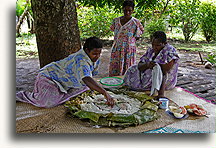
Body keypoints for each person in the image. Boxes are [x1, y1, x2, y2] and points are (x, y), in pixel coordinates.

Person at [16, 37, 114, 108]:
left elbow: (89, 76)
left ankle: (62, 93)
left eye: (99, 54)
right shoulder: (81, 60)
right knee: (48, 103)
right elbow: (86, 78)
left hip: (63, 82)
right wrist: (105, 93)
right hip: (48, 77)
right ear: (87, 50)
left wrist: (99, 89)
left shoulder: (94, 58)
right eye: (94, 54)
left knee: (86, 89)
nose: (97, 56)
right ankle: (22, 95)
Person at [123, 31, 179, 99]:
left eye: (158, 45)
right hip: (151, 70)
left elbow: (165, 71)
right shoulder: (151, 50)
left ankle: (148, 87)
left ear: (164, 43)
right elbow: (140, 65)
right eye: (153, 45)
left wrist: (161, 95)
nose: (155, 47)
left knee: (153, 72)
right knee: (132, 68)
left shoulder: (170, 51)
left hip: (165, 80)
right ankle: (139, 85)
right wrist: (147, 65)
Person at [109, 0, 144, 76]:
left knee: (128, 70)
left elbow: (138, 34)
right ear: (122, 9)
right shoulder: (116, 21)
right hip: (117, 48)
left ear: (133, 11)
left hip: (128, 50)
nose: (127, 12)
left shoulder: (136, 22)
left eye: (129, 10)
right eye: (125, 10)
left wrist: (130, 42)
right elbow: (113, 30)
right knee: (115, 69)